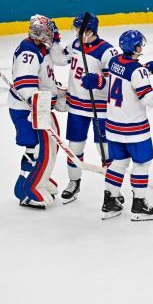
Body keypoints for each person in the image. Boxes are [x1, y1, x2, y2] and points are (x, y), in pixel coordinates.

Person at [84, 30, 153, 220]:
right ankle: (139, 205)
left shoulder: (115, 61)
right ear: (135, 47)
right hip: (134, 127)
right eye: (140, 44)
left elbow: (125, 76)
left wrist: (146, 68)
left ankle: (110, 201)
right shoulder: (138, 72)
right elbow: (149, 100)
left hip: (113, 125)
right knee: (142, 164)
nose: (142, 47)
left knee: (118, 163)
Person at [50, 13, 120, 204]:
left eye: (78, 30)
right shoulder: (75, 45)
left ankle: (112, 190)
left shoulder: (107, 52)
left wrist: (98, 81)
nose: (75, 33)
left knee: (104, 149)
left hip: (101, 109)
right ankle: (74, 182)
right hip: (78, 107)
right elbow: (59, 60)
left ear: (90, 31)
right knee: (74, 147)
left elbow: (115, 81)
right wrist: (55, 41)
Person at [8, 15, 67, 209]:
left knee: (49, 147)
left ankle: (39, 180)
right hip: (27, 109)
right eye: (49, 31)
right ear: (39, 33)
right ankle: (27, 190)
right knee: (40, 148)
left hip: (38, 106)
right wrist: (51, 98)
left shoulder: (42, 48)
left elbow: (57, 65)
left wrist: (56, 92)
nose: (52, 34)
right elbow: (25, 87)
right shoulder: (29, 52)